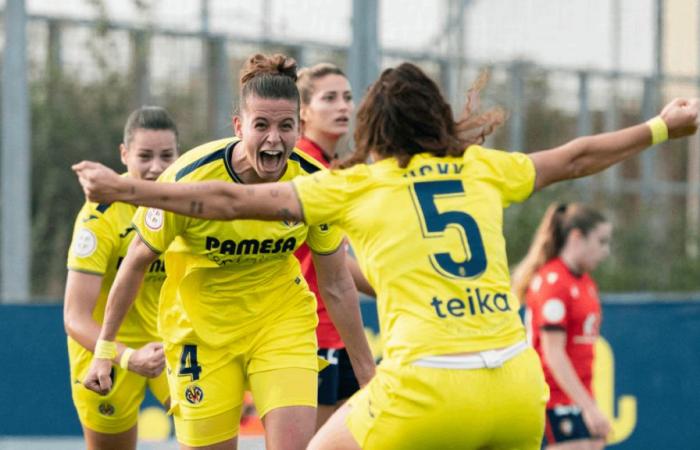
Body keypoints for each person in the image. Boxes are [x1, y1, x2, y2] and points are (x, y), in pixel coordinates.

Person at [73, 62, 700, 449]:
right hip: (516, 384)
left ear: (372, 126)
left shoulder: (352, 184)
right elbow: (578, 156)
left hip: (426, 385)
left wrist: (125, 187)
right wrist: (663, 126)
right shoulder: (482, 168)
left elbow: (227, 203)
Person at [77, 53, 375, 450]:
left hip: (280, 324)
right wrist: (104, 351)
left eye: (286, 126)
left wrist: (368, 374)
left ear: (298, 126)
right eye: (261, 126)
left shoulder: (314, 182)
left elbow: (336, 281)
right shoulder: (189, 176)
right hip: (201, 333)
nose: (274, 139)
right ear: (239, 126)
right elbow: (135, 262)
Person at [63, 106, 179, 450]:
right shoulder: (99, 218)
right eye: (145, 156)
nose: (156, 167)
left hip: (170, 344)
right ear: (124, 154)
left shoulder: (186, 203)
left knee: (209, 437)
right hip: (105, 351)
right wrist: (127, 357)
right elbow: (74, 317)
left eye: (167, 156)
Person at [295, 62, 375, 429]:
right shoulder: (301, 166)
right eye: (330, 98)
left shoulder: (331, 169)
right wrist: (392, 287)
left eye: (347, 97)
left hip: (339, 332)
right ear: (304, 111)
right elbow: (337, 267)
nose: (343, 106)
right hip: (309, 331)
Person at [512, 204, 612, 449]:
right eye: (601, 241)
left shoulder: (586, 283)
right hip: (552, 397)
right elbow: (553, 354)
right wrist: (587, 407)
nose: (606, 251)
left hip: (578, 395)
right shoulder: (553, 282)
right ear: (577, 237)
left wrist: (590, 403)